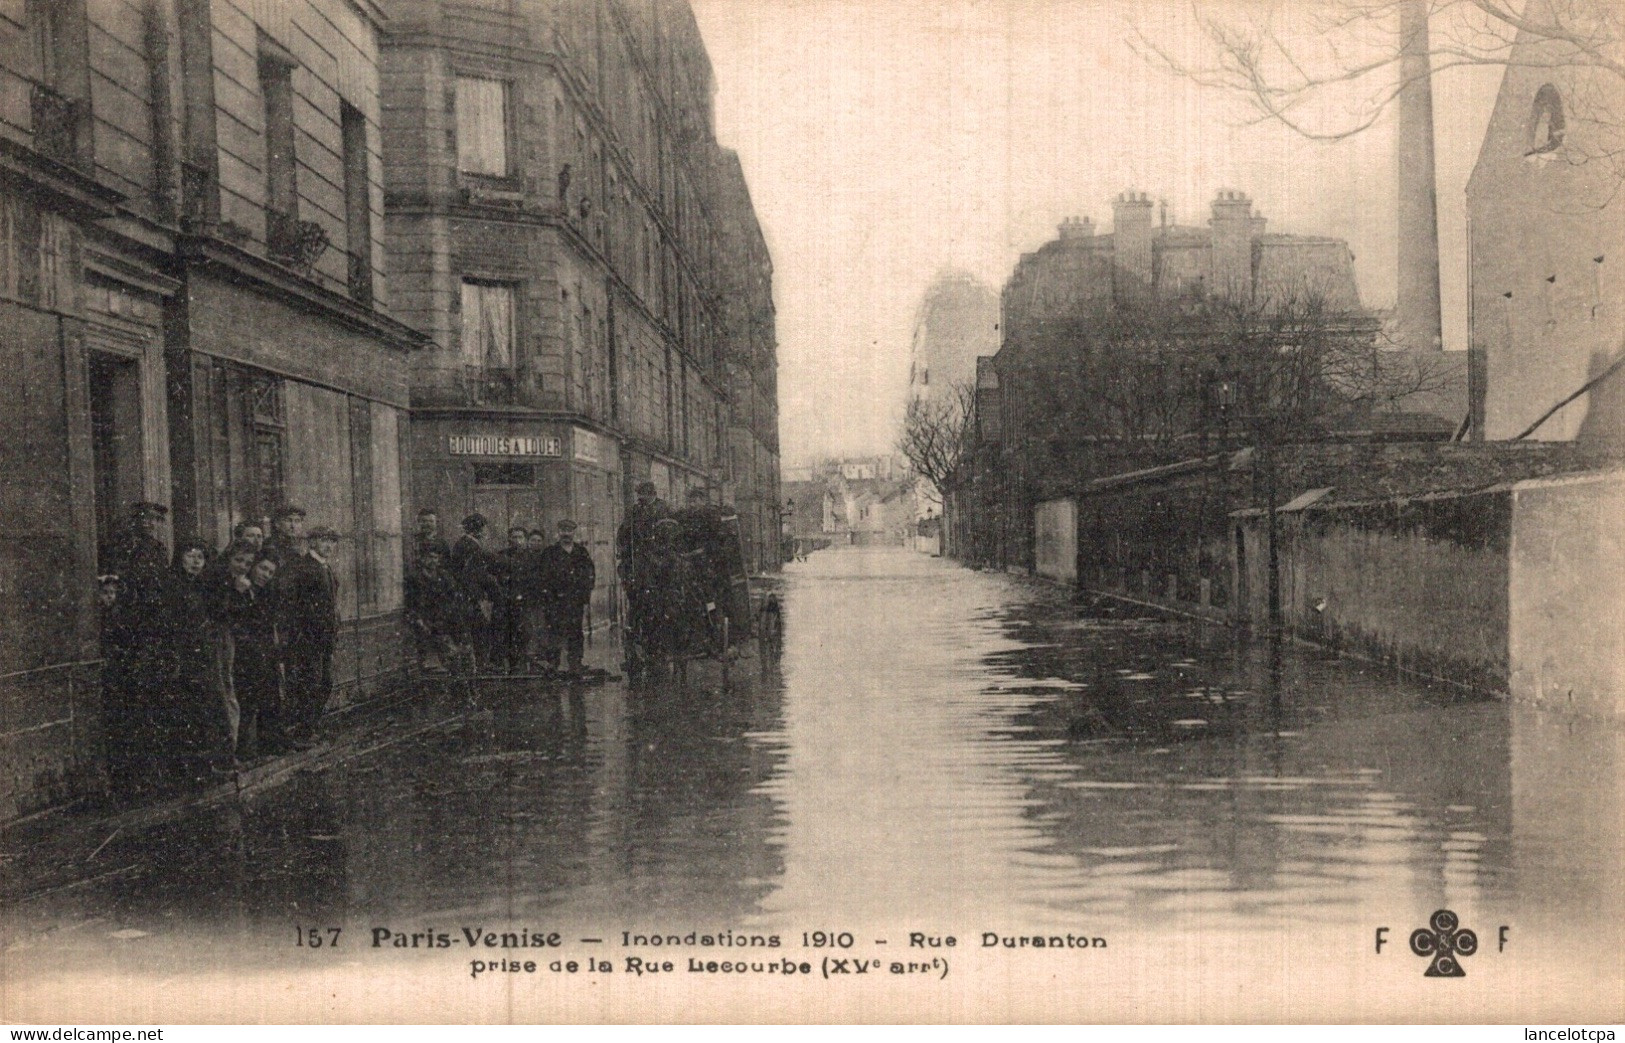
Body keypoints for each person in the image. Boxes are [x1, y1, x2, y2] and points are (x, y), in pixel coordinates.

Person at [102, 502, 172, 800]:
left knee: (154, 702)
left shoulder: (158, 549)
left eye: (156, 520)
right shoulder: (126, 549)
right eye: (147, 518)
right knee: (133, 704)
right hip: (132, 634)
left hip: (154, 633)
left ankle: (152, 773)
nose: (151, 524)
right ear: (137, 521)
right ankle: (133, 777)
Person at [162, 539, 231, 784]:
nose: (195, 562)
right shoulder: (171, 587)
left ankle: (207, 764)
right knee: (186, 711)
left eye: (200, 557)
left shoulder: (202, 586)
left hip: (201, 655)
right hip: (179, 657)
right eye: (190, 556)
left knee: (206, 708)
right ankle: (190, 769)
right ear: (180, 558)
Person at [280, 525, 340, 747]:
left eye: (332, 542)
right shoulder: (303, 568)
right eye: (324, 541)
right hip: (307, 639)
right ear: (312, 542)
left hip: (325, 638)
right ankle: (302, 732)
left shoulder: (327, 569)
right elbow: (291, 606)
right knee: (309, 683)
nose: (329, 546)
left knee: (325, 682)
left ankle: (309, 728)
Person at [224, 545, 286, 758]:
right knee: (246, 703)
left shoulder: (265, 593)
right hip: (243, 655)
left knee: (268, 699)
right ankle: (244, 753)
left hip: (264, 655)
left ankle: (266, 748)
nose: (265, 575)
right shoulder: (239, 590)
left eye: (270, 572)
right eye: (263, 569)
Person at [616, 481, 670, 663]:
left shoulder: (663, 509)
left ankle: (658, 642)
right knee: (637, 601)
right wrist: (624, 548)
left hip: (660, 559)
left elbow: (670, 532)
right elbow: (624, 533)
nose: (641, 498)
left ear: (652, 494)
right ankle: (636, 639)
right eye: (639, 494)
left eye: (644, 494)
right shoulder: (635, 511)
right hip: (640, 561)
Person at [537, 519, 596, 675]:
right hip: (555, 601)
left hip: (575, 600)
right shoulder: (550, 553)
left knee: (575, 631)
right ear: (558, 532)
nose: (566, 534)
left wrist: (585, 595)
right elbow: (543, 577)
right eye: (563, 530)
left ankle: (575, 663)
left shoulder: (581, 552)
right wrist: (548, 597)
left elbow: (590, 575)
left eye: (569, 531)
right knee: (555, 631)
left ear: (574, 533)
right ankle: (553, 664)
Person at [405, 543, 471, 674]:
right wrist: (419, 619)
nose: (432, 561)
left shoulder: (444, 576)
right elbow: (411, 602)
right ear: (422, 559)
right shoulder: (415, 578)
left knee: (457, 653)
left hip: (445, 618)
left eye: (435, 557)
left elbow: (454, 596)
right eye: (429, 557)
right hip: (426, 619)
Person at [450, 513, 499, 671]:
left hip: (467, 594)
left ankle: (477, 664)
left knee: (476, 629)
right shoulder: (469, 545)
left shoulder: (465, 544)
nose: (486, 531)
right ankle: (479, 664)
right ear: (477, 529)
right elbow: (474, 574)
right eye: (484, 528)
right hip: (469, 595)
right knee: (478, 628)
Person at [495, 524, 532, 673]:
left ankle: (521, 662)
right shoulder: (502, 555)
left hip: (524, 600)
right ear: (509, 539)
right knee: (505, 632)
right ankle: (509, 663)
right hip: (506, 600)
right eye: (514, 537)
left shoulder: (531, 557)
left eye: (520, 537)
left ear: (525, 539)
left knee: (523, 632)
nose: (517, 540)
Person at [262, 504, 306, 569]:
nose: (293, 526)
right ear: (277, 523)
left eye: (297, 521)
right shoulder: (270, 545)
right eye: (288, 520)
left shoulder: (302, 545)